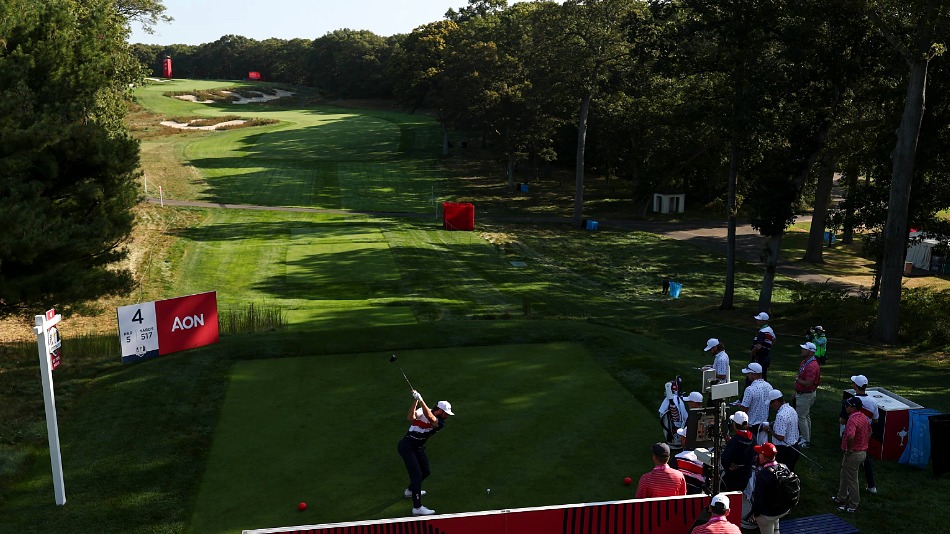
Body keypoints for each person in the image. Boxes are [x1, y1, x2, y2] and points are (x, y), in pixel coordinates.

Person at [397, 390, 454, 516]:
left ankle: (410, 490)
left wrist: (421, 400)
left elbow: (430, 418)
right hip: (406, 447)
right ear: (440, 410)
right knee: (417, 476)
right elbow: (410, 417)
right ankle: (417, 508)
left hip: (417, 447)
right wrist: (416, 400)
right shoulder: (423, 411)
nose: (447, 416)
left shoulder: (440, 423)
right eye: (446, 413)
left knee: (426, 471)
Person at [840, 375, 879, 494]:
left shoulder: (851, 401)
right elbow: (876, 420)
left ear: (855, 386)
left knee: (848, 463)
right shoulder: (873, 401)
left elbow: (842, 420)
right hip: (865, 434)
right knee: (865, 458)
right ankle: (871, 486)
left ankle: (846, 490)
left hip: (852, 434)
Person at [834, 396, 870, 513]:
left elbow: (850, 436)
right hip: (862, 452)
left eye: (848, 405)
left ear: (853, 408)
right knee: (844, 474)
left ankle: (854, 505)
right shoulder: (863, 417)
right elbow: (870, 431)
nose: (845, 407)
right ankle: (841, 497)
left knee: (852, 480)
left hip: (853, 454)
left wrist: (849, 450)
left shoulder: (852, 420)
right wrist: (864, 442)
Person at [750, 442, 791, 534]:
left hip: (768, 514)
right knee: (775, 527)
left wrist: (755, 514)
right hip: (783, 509)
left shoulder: (762, 475)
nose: (758, 455)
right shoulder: (784, 467)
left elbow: (759, 499)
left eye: (759, 453)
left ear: (763, 457)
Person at [763, 390, 800, 470]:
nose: (771, 406)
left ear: (776, 402)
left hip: (784, 451)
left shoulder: (781, 415)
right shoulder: (791, 409)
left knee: (780, 473)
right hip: (794, 447)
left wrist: (769, 430)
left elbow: (780, 437)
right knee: (789, 472)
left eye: (771, 404)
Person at [736, 362, 773, 442]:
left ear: (754, 375)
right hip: (764, 424)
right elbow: (770, 405)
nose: (747, 376)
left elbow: (744, 410)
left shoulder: (750, 389)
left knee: (750, 447)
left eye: (748, 374)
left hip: (751, 426)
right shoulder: (769, 386)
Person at [720, 411, 756, 492]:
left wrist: (729, 465)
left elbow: (725, 459)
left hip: (733, 477)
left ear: (735, 424)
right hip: (747, 475)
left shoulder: (734, 440)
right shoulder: (753, 438)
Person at [794, 342, 821, 448]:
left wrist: (797, 379)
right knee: (805, 416)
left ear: (810, 352)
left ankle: (806, 440)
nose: (802, 350)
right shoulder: (805, 362)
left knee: (801, 417)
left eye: (804, 349)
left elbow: (808, 383)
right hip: (802, 393)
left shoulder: (811, 366)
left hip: (806, 395)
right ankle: (806, 436)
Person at [750, 312, 776, 382]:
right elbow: (774, 339)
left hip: (759, 357)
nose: (757, 321)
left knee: (755, 377)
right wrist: (768, 347)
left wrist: (752, 352)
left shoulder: (762, 332)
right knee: (763, 376)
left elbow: (758, 346)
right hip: (765, 357)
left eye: (759, 320)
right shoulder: (770, 330)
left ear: (764, 321)